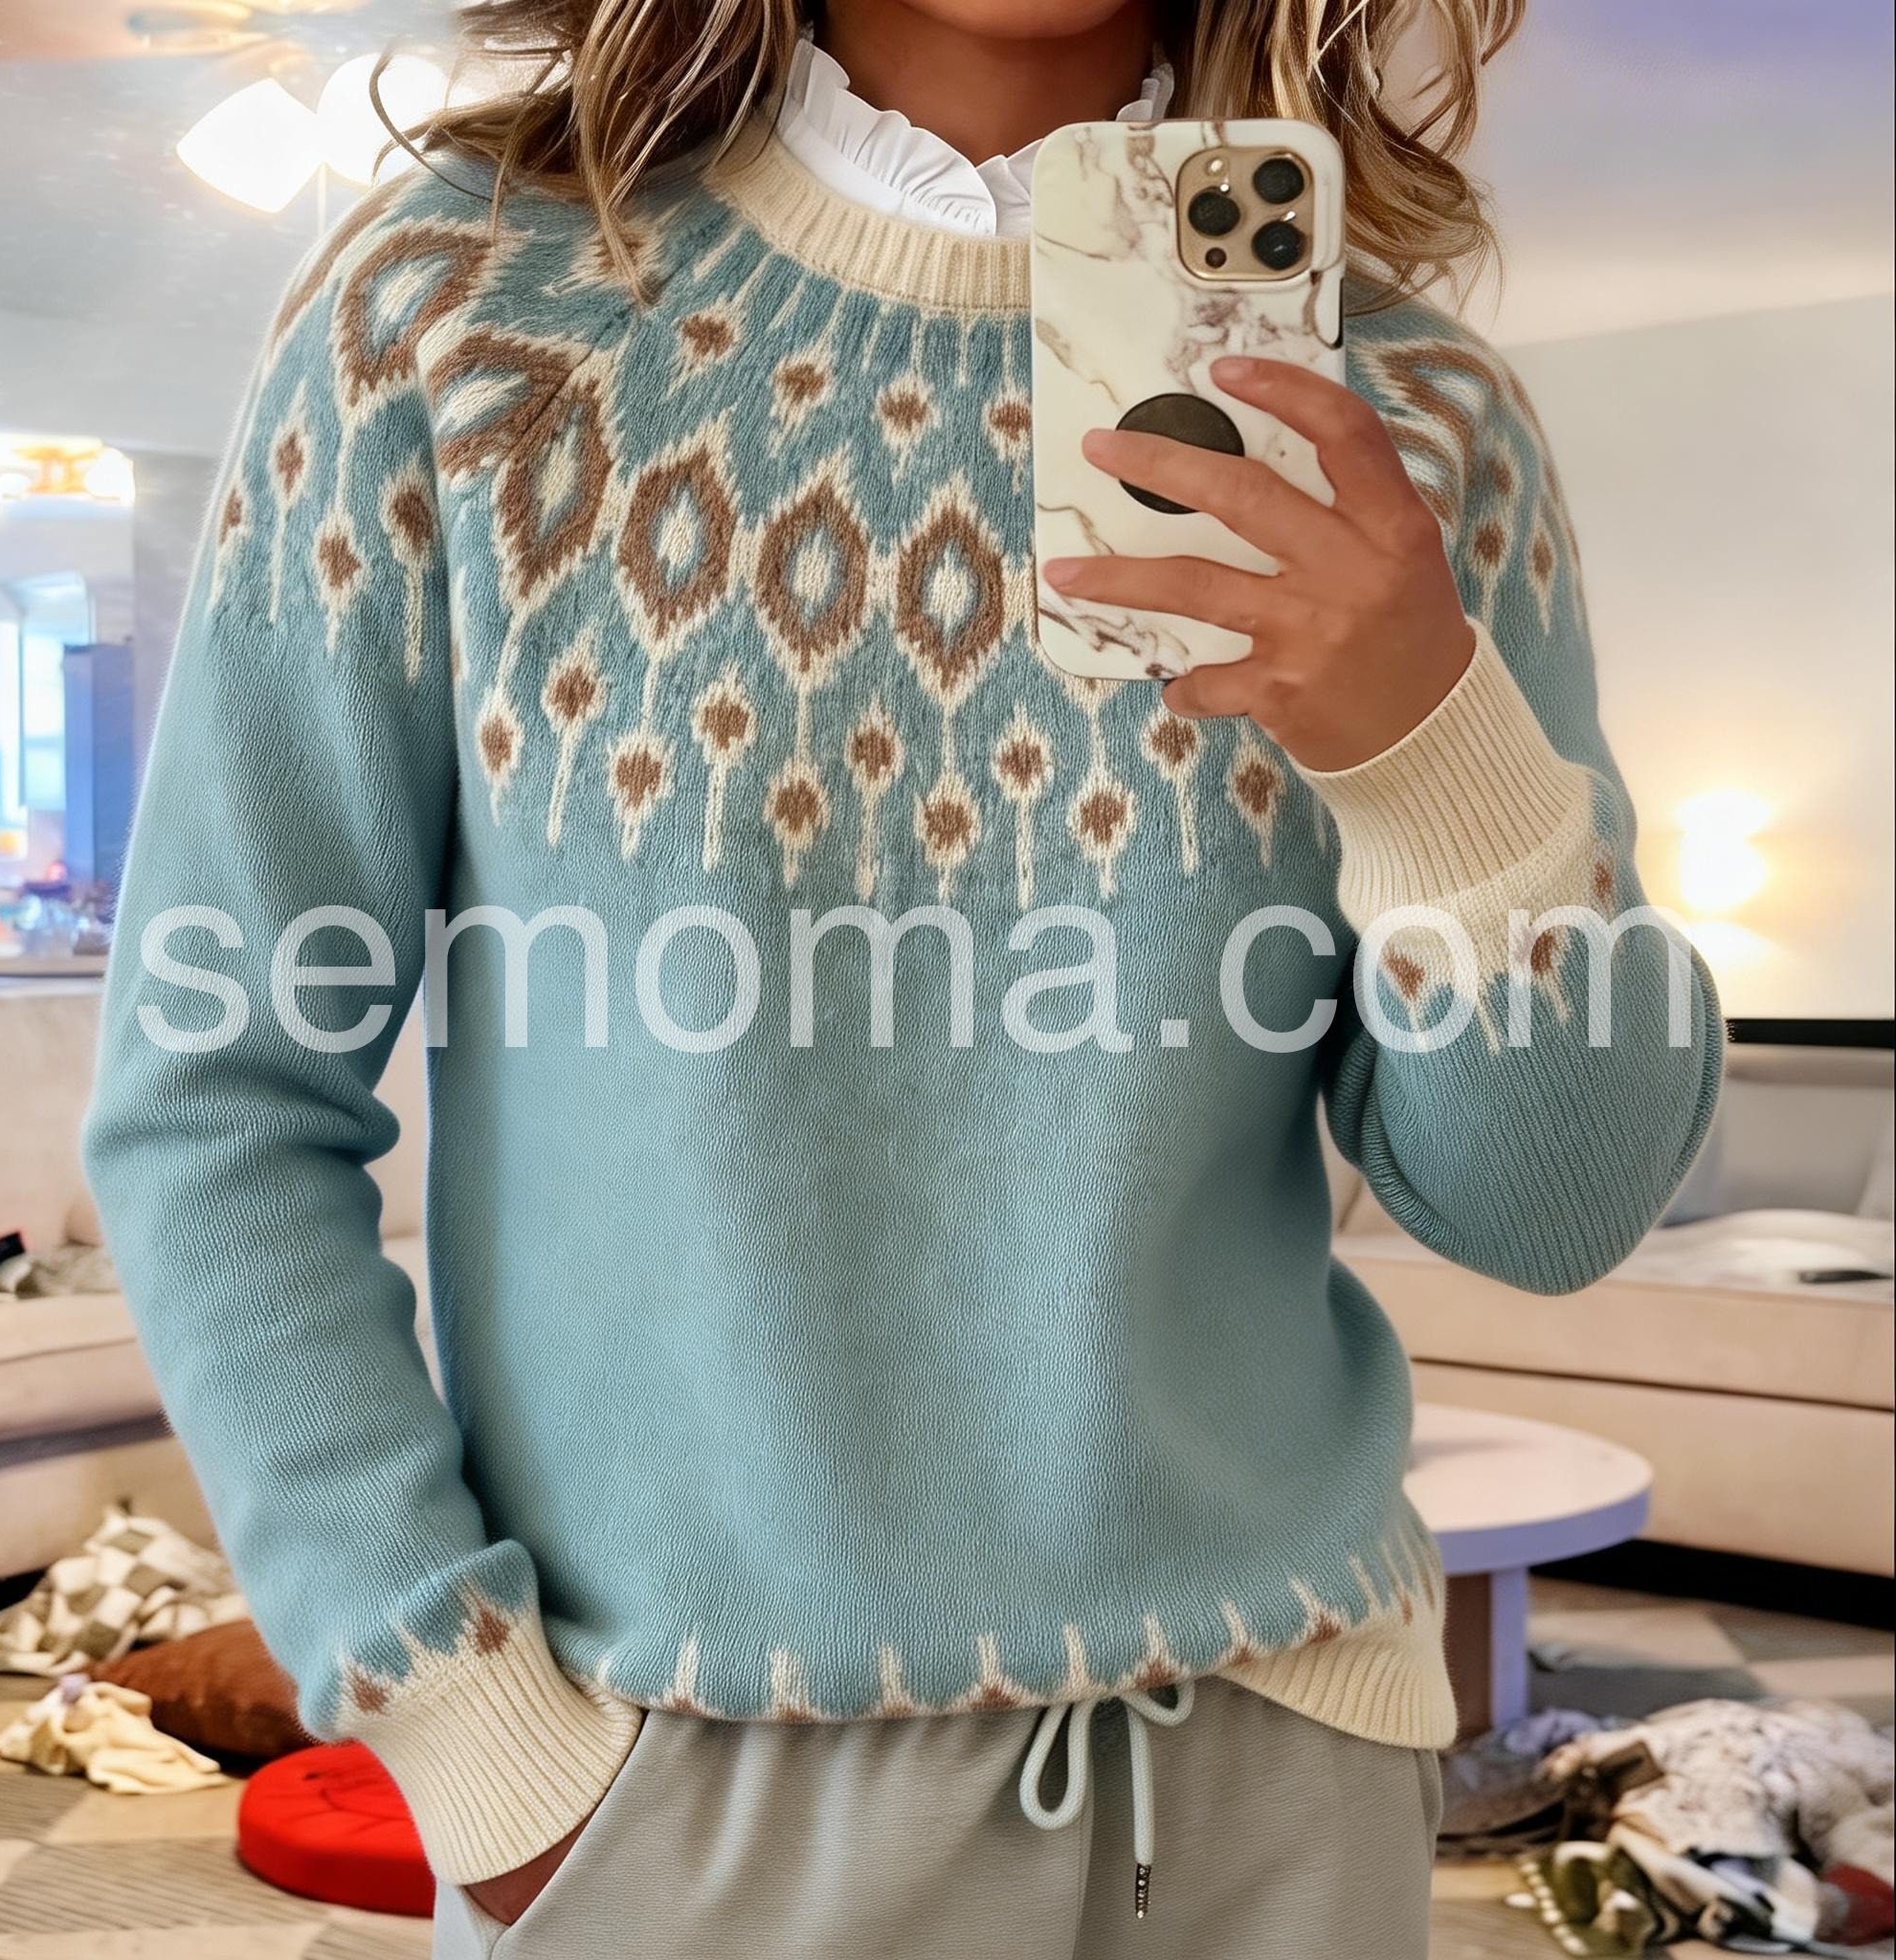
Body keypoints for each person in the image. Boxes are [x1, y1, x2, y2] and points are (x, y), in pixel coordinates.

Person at [82, 2, 1722, 1953]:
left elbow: (1550, 1203)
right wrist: (469, 1731)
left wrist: (1429, 747)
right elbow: (218, 1094)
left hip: (1272, 1775)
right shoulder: (458, 310)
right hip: (682, 1793)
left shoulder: (1408, 420)